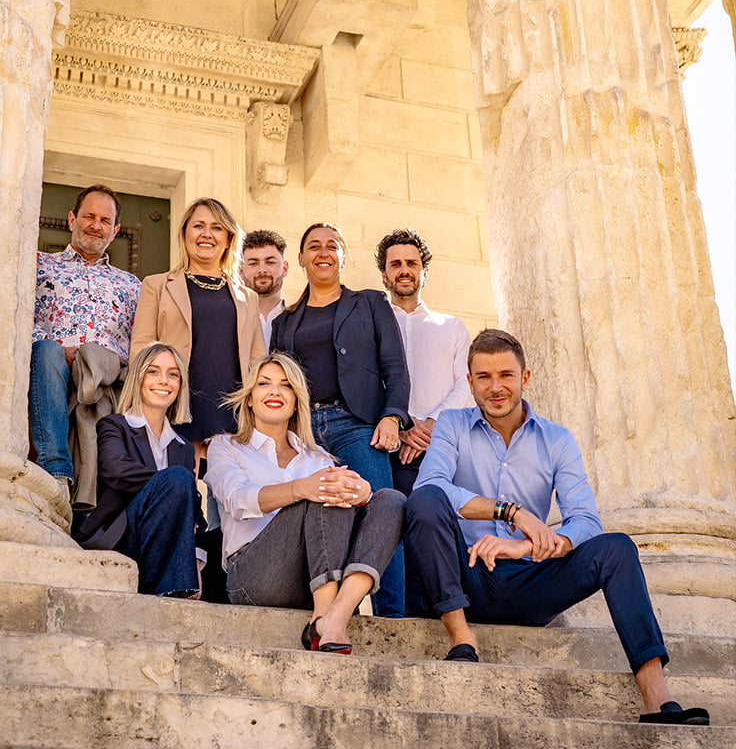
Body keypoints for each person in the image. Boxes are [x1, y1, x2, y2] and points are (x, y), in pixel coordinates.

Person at [404, 329, 710, 726]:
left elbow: (585, 519)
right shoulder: (452, 425)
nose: (496, 388)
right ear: (470, 383)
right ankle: (462, 638)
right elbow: (432, 487)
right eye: (484, 377)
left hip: (529, 580)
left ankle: (657, 697)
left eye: (506, 376)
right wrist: (511, 513)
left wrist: (526, 547)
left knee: (616, 548)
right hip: (464, 576)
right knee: (424, 500)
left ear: (525, 379)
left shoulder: (557, 440)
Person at [206, 352, 406, 652]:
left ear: (297, 400)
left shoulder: (319, 458)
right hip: (255, 578)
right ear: (249, 398)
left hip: (311, 579)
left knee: (390, 500)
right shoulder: (226, 446)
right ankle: (326, 613)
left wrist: (363, 493)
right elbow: (237, 499)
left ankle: (335, 615)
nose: (275, 391)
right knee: (321, 489)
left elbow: (347, 512)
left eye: (286, 385)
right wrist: (300, 488)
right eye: (264, 384)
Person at [271, 222, 410, 618]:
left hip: (357, 425)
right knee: (313, 515)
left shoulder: (369, 303)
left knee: (383, 509)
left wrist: (393, 417)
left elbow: (395, 368)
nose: (323, 252)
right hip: (303, 432)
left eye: (332, 246)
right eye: (313, 246)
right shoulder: (285, 322)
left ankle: (392, 615)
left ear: (343, 256)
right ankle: (320, 612)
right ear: (300, 260)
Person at [130, 197, 264, 601]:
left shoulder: (247, 296)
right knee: (182, 493)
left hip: (229, 412)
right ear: (184, 234)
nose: (206, 234)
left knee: (228, 503)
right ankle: (175, 581)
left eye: (216, 228)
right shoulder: (158, 284)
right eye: (198, 226)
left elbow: (257, 359)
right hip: (176, 406)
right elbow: (142, 346)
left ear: (228, 239)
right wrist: (153, 401)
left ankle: (223, 591)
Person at [30, 184, 140, 494]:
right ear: (71, 219)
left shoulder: (132, 285)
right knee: (48, 350)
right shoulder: (39, 265)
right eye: (89, 216)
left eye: (105, 220)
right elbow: (15, 315)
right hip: (53, 374)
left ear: (115, 230)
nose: (96, 225)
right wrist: (58, 348)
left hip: (105, 384)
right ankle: (56, 470)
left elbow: (139, 342)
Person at [77, 342, 204, 599]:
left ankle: (176, 586)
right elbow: (116, 471)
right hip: (121, 537)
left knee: (182, 487)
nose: (164, 381)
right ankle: (172, 585)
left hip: (164, 546)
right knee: (179, 481)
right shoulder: (115, 425)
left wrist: (196, 563)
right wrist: (169, 487)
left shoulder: (183, 448)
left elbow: (194, 515)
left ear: (180, 386)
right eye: (153, 371)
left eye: (173, 374)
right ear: (139, 378)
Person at [374, 228, 471, 498]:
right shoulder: (369, 327)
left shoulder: (451, 327)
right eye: (395, 264)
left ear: (424, 271)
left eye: (411, 263)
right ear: (384, 274)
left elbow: (465, 384)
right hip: (384, 451)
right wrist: (402, 424)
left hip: (440, 450)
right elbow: (366, 383)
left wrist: (429, 425)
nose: (404, 270)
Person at [240, 229, 289, 347]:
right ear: (240, 271)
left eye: (270, 262)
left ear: (285, 268)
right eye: (253, 263)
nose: (262, 270)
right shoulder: (231, 321)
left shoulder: (298, 321)